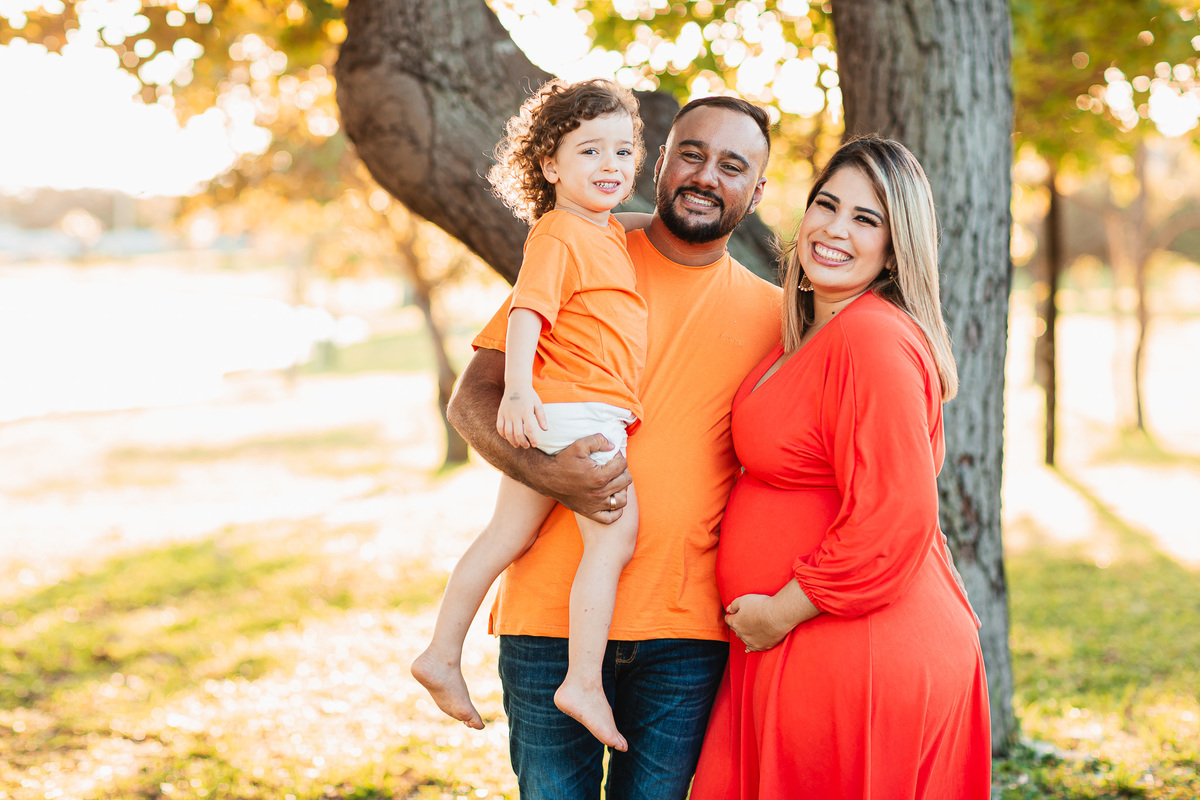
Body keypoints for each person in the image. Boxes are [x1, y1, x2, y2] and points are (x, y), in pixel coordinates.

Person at [446, 95, 783, 799]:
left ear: (756, 191)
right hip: (547, 621)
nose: (705, 175)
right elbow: (473, 400)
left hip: (683, 633)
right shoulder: (585, 244)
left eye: (733, 165)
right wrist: (552, 475)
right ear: (658, 162)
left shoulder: (775, 316)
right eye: (690, 152)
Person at [689, 135, 992, 799]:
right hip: (807, 648)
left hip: (854, 649)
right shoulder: (812, 332)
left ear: (895, 244)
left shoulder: (872, 338)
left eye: (866, 218)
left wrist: (780, 615)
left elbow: (894, 521)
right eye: (828, 205)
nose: (834, 229)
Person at [412, 78, 649, 752]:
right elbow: (527, 312)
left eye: (623, 151)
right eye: (589, 151)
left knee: (503, 536)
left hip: (570, 407)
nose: (610, 165)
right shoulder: (558, 234)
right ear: (548, 165)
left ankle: (440, 654)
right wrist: (517, 391)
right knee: (614, 538)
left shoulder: (599, 231)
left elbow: (626, 225)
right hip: (577, 410)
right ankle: (582, 681)